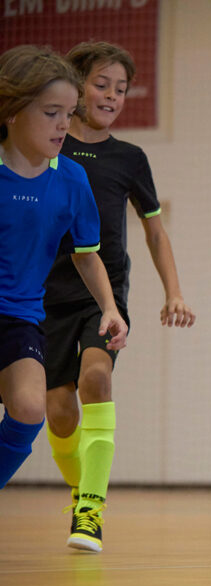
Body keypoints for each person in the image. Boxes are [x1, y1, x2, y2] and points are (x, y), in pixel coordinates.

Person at [42, 42, 195, 553]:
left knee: (96, 377)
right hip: (41, 296)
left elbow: (154, 231)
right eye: (101, 84)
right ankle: (80, 487)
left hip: (101, 296)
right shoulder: (48, 148)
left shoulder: (130, 158)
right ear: (75, 88)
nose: (111, 95)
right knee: (59, 412)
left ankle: (90, 511)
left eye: (121, 89)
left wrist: (174, 292)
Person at [0, 45, 128, 493]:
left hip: (21, 316)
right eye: (51, 112)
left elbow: (86, 253)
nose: (63, 125)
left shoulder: (71, 178)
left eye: (69, 113)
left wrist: (109, 308)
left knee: (31, 408)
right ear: (12, 111)